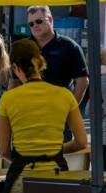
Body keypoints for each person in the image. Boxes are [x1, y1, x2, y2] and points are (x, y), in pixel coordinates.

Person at [0, 39, 87, 193]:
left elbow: (4, 150)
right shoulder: (65, 95)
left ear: (16, 68)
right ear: (40, 63)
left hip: (22, 179)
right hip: (57, 179)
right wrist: (56, 150)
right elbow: (81, 142)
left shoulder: (8, 99)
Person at [26, 5, 89, 141]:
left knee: (59, 159)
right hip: (28, 118)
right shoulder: (24, 47)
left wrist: (69, 110)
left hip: (58, 120)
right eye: (31, 23)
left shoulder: (69, 47)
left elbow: (82, 82)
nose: (34, 26)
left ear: (50, 19)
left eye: (38, 21)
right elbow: (13, 81)